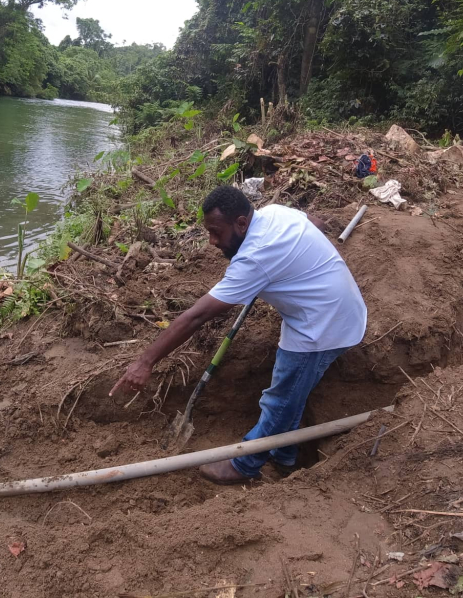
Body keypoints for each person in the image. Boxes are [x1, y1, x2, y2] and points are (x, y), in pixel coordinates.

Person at [110, 185, 368, 484]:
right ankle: (285, 457)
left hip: (323, 327)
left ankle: (245, 465)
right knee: (293, 395)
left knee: (281, 400)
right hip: (337, 307)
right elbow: (315, 222)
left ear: (242, 223)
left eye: (217, 232)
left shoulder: (254, 258)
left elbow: (197, 315)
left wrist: (145, 362)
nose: (211, 241)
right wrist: (289, 263)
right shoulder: (275, 213)